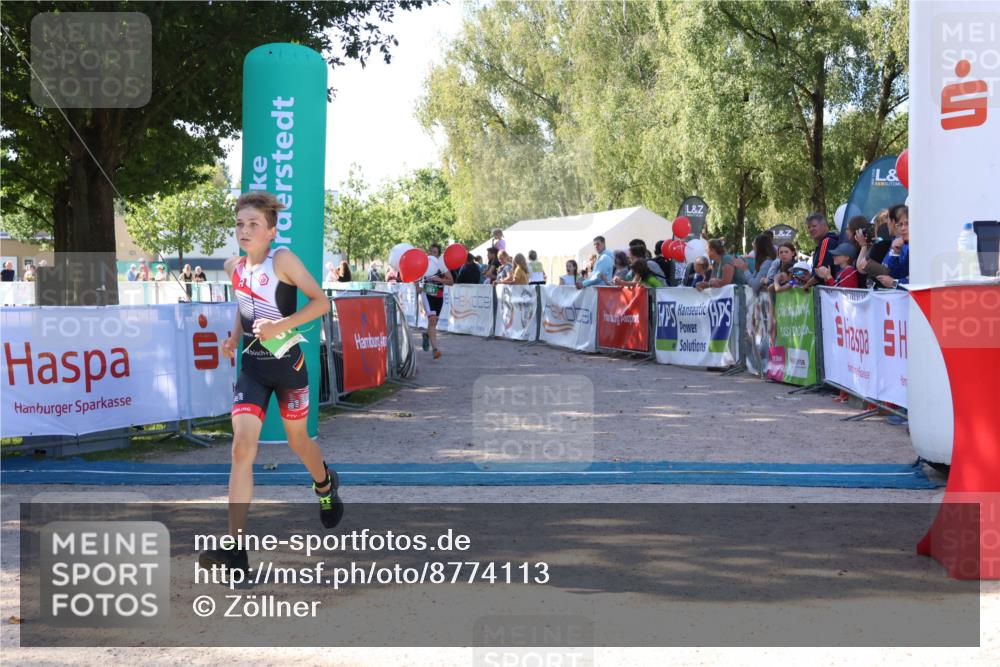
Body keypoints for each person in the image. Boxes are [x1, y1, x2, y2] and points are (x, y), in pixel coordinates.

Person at [198, 191, 342, 577]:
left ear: (271, 231)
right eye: (240, 224)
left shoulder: (283, 260)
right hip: (253, 368)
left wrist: (281, 325)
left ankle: (325, 485)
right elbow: (245, 309)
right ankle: (236, 552)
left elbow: (320, 302)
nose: (244, 231)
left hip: (289, 366)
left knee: (298, 442)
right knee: (242, 447)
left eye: (253, 224)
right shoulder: (235, 267)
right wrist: (232, 337)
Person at [420, 251, 454, 359]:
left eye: (435, 252)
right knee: (432, 320)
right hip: (427, 294)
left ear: (439, 255)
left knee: (434, 323)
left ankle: (427, 334)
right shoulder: (424, 264)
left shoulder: (442, 265)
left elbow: (451, 281)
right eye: (431, 252)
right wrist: (417, 286)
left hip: (439, 295)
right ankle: (435, 349)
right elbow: (415, 276)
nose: (432, 254)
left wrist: (438, 279)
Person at [804, 212, 840, 287]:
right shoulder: (826, 241)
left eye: (814, 226)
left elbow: (820, 271)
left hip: (826, 290)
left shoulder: (826, 241)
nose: (811, 229)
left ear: (825, 226)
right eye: (809, 227)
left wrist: (806, 285)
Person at [879, 215, 909, 288]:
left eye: (907, 224)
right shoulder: (898, 244)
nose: (903, 228)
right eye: (900, 224)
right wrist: (895, 254)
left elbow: (916, 283)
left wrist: (893, 283)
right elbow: (896, 274)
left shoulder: (914, 248)